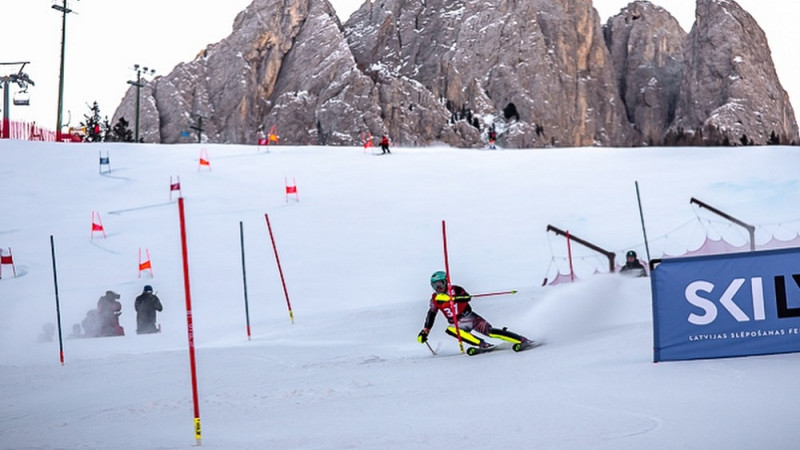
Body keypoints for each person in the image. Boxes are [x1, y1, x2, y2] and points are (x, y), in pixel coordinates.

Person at [417, 271, 531, 350]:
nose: (438, 288)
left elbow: (466, 297)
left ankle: (521, 339)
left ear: (446, 281)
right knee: (451, 330)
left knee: (490, 332)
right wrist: (425, 331)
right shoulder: (434, 299)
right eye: (435, 285)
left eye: (440, 284)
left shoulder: (456, 289)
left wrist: (452, 298)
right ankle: (482, 344)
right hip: (457, 324)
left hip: (470, 317)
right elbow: (431, 314)